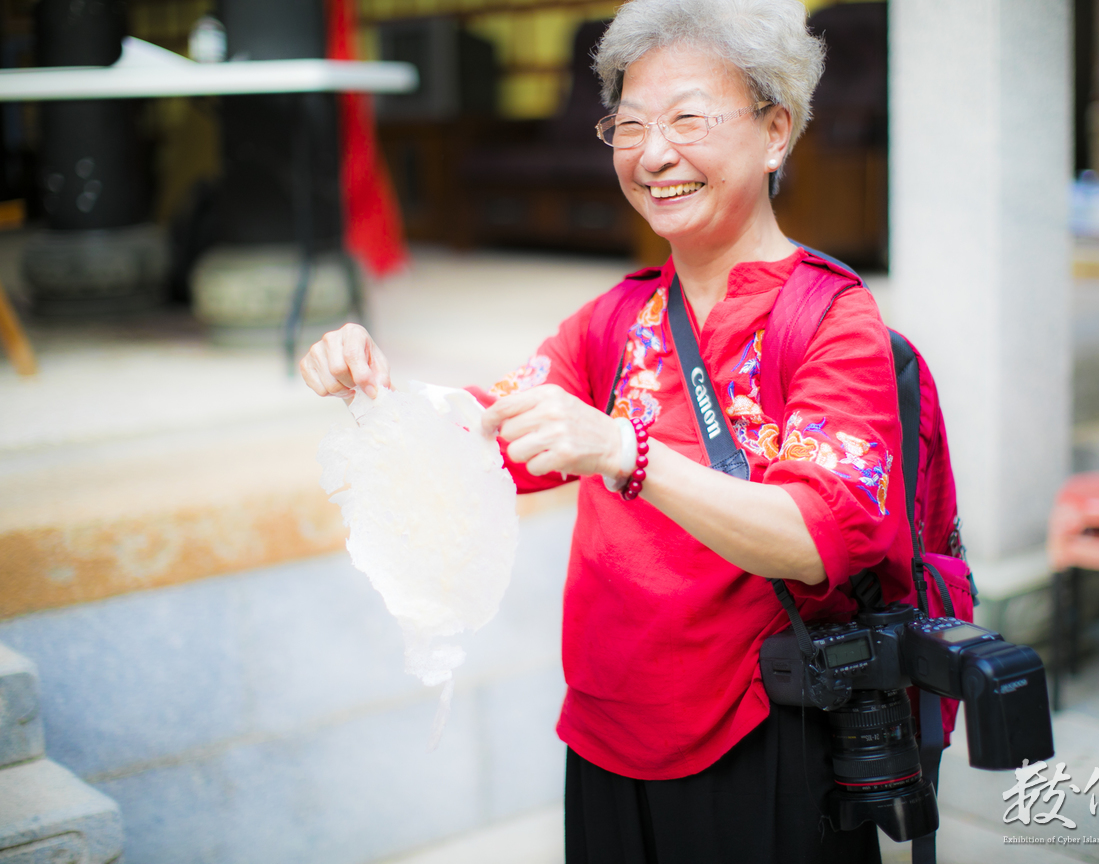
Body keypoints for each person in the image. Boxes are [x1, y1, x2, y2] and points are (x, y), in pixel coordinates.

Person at [300, 1, 917, 861]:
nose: (654, 154)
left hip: (761, 732)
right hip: (605, 732)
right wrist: (374, 388)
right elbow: (489, 435)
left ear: (776, 132)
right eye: (629, 125)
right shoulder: (617, 319)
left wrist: (628, 456)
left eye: (687, 119)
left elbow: (818, 537)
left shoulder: (828, 321)